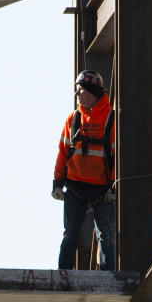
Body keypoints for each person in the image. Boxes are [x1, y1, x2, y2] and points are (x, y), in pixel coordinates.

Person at [53, 70, 116, 271]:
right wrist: (57, 183)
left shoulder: (110, 118)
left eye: (80, 90)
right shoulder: (73, 119)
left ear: (92, 92)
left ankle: (108, 276)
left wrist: (113, 187)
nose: (77, 94)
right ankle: (64, 273)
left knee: (104, 234)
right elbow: (63, 152)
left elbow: (116, 155)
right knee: (70, 233)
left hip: (101, 188)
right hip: (75, 185)